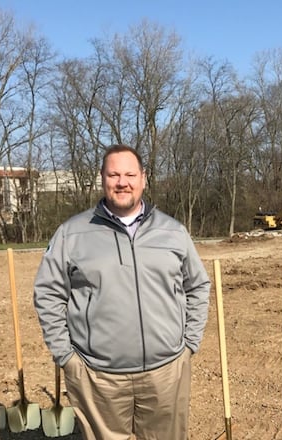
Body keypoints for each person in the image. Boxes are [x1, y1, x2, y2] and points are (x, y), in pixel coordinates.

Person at [33, 144, 211, 439]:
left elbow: (198, 286)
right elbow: (48, 293)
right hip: (97, 377)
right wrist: (66, 357)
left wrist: (189, 343)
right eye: (114, 174)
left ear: (144, 178)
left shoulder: (173, 231)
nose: (122, 182)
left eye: (130, 174)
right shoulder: (72, 233)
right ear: (102, 178)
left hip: (165, 373)